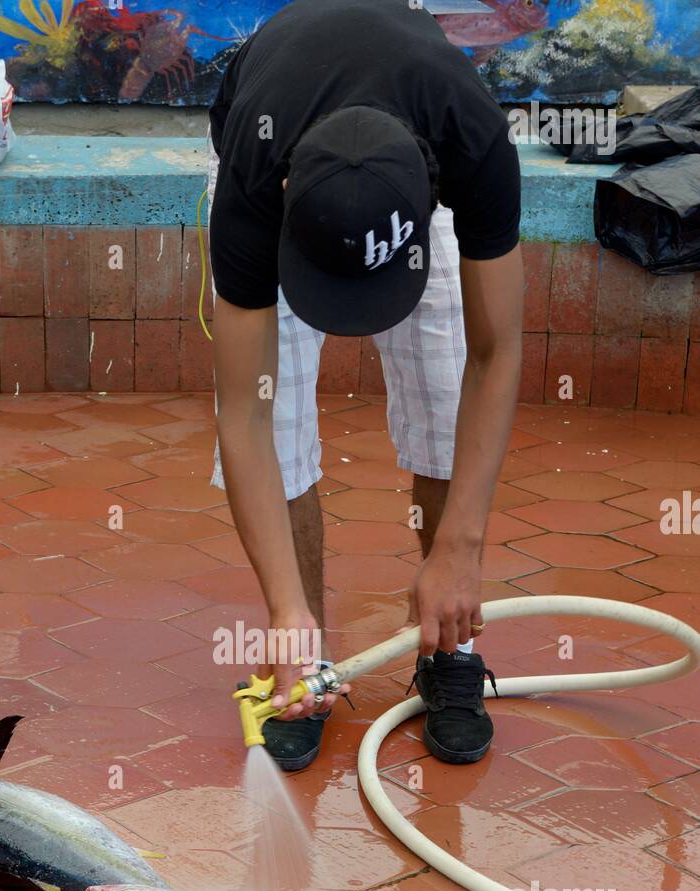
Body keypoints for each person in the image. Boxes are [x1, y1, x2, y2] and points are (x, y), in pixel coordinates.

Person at [208, 0, 523, 771]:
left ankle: (451, 648)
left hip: (409, 145)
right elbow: (245, 416)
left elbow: (497, 348)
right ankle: (304, 651)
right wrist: (282, 612)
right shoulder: (253, 187)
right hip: (277, 148)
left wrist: (461, 549)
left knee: (449, 395)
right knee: (279, 424)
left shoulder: (471, 138)